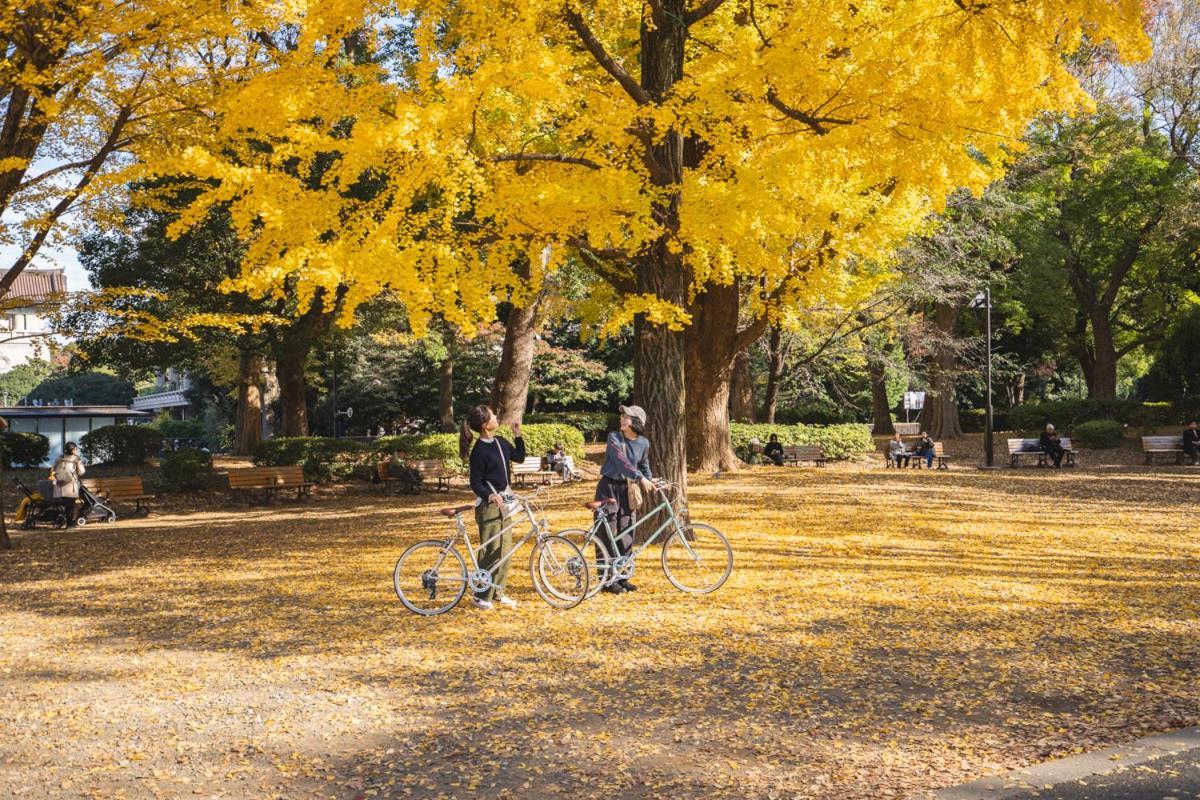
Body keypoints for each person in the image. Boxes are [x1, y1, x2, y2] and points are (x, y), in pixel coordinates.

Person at [459, 405, 526, 611]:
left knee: (504, 549)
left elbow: (520, 457)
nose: (497, 417)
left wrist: (517, 435)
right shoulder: (479, 451)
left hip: (505, 504)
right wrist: (489, 495)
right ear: (486, 425)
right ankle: (481, 594)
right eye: (493, 416)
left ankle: (498, 591)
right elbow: (475, 482)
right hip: (488, 507)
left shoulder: (501, 442)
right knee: (490, 550)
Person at [596, 404, 653, 594]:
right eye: (622, 416)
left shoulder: (643, 443)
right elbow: (621, 462)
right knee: (608, 533)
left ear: (636, 422)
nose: (622, 419)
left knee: (627, 532)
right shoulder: (614, 438)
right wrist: (640, 477)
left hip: (627, 490)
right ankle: (606, 580)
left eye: (626, 417)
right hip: (608, 489)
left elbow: (644, 466)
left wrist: (651, 481)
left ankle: (623, 576)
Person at [52, 442, 86, 526]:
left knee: (62, 505)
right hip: (70, 486)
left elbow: (53, 469)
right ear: (73, 449)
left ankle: (60, 520)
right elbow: (81, 472)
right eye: (76, 449)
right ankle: (69, 525)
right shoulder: (76, 459)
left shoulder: (58, 458)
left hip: (59, 485)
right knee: (70, 506)